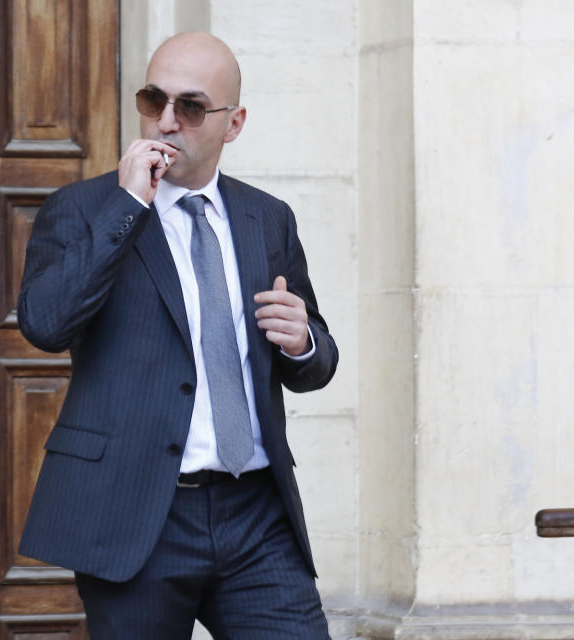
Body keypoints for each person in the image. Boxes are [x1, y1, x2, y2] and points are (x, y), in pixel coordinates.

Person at [17, 32, 338, 639]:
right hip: (135, 512)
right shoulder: (84, 209)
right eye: (152, 100)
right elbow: (45, 324)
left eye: (190, 107)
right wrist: (129, 205)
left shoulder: (267, 217)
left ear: (233, 122)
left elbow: (313, 358)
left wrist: (304, 342)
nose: (166, 121)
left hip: (255, 514)